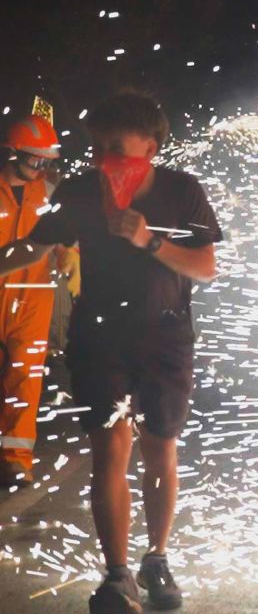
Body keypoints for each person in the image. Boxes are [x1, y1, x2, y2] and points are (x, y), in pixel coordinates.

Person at [0, 91, 222, 611]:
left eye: (117, 147)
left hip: (165, 337)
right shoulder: (79, 191)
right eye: (98, 147)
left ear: (150, 146)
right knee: (110, 450)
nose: (104, 159)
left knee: (160, 446)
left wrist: (149, 241)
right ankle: (117, 575)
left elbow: (206, 267)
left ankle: (157, 560)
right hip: (99, 338)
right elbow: (33, 246)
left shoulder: (181, 191)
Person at [0, 114, 63, 487]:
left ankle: (16, 460)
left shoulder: (50, 195)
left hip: (33, 301)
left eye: (47, 162)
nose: (41, 168)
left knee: (25, 378)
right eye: (35, 159)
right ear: (12, 153)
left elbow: (66, 244)